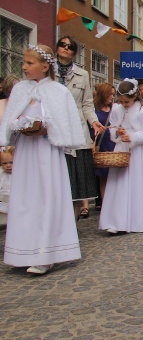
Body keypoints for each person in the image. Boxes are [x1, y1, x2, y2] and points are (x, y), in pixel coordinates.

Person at [0, 44, 85, 274]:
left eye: (29, 63)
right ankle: (22, 251)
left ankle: (46, 254)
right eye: (24, 62)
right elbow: (10, 119)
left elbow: (65, 124)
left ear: (45, 66)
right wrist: (17, 127)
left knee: (47, 197)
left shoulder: (59, 91)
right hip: (27, 151)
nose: (24, 67)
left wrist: (47, 129)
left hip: (47, 152)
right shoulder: (19, 90)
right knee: (25, 199)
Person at [55, 36, 104, 220]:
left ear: (75, 52)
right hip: (52, 132)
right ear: (57, 47)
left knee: (76, 185)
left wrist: (93, 121)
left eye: (70, 46)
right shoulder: (48, 71)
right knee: (56, 183)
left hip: (76, 132)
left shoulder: (82, 75)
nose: (66, 48)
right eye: (63, 45)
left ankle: (71, 225)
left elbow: (87, 104)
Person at [99, 79, 143, 234]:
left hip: (136, 151)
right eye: (121, 101)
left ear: (135, 96)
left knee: (135, 184)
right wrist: (117, 132)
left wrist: (133, 137)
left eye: (127, 101)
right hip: (120, 149)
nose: (124, 104)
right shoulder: (117, 110)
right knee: (118, 184)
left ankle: (135, 221)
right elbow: (112, 130)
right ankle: (115, 221)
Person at [89, 83, 115, 211]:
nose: (112, 97)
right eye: (109, 94)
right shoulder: (94, 112)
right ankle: (106, 206)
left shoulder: (115, 110)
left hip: (113, 144)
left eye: (113, 94)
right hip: (101, 145)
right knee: (103, 178)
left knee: (114, 176)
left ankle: (115, 204)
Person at [0, 146, 14, 225]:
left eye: (11, 162)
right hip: (3, 201)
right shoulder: (1, 174)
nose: (8, 165)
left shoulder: (20, 174)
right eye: (4, 163)